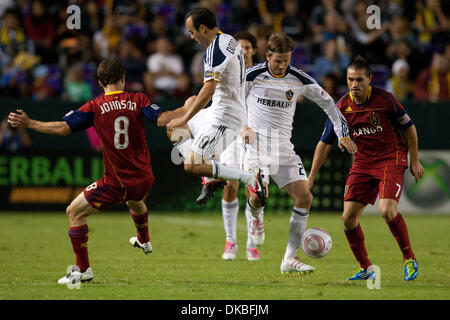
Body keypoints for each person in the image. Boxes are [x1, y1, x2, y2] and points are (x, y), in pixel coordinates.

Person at [7, 57, 194, 285]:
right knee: (135, 200)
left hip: (118, 183)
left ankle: (83, 270)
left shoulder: (95, 106)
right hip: (145, 179)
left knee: (73, 212)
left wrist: (30, 124)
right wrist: (187, 108)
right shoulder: (138, 99)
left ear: (99, 82)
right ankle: (144, 240)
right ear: (123, 78)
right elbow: (164, 119)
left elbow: (64, 128)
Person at [242, 32, 356, 274]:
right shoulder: (251, 76)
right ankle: (256, 215)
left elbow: (330, 105)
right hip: (256, 145)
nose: (282, 65)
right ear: (268, 56)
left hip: (284, 148)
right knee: (260, 195)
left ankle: (288, 260)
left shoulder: (299, 79)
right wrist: (242, 127)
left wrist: (343, 133)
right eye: (277, 61)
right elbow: (232, 102)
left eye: (286, 60)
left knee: (305, 197)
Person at [308, 56, 423, 281]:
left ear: (369, 79)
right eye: (350, 80)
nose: (354, 85)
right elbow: (324, 142)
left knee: (387, 211)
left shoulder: (386, 100)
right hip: (362, 163)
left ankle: (409, 258)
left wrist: (415, 160)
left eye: (359, 80)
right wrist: (311, 176)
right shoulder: (341, 107)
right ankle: (367, 269)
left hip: (391, 157)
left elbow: (409, 128)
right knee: (348, 218)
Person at [166, 7, 266, 207]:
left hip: (224, 117)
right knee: (174, 128)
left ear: (202, 29)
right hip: (224, 110)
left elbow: (209, 88)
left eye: (192, 32)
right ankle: (212, 177)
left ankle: (248, 178)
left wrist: (185, 117)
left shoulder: (215, 49)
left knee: (191, 165)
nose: (191, 37)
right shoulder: (229, 40)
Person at [217, 31, 260, 261]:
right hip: (232, 134)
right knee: (230, 185)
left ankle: (252, 244)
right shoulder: (228, 71)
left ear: (253, 50)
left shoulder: (261, 74)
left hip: (256, 136)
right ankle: (231, 241)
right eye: (239, 48)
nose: (243, 51)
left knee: (252, 188)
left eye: (246, 47)